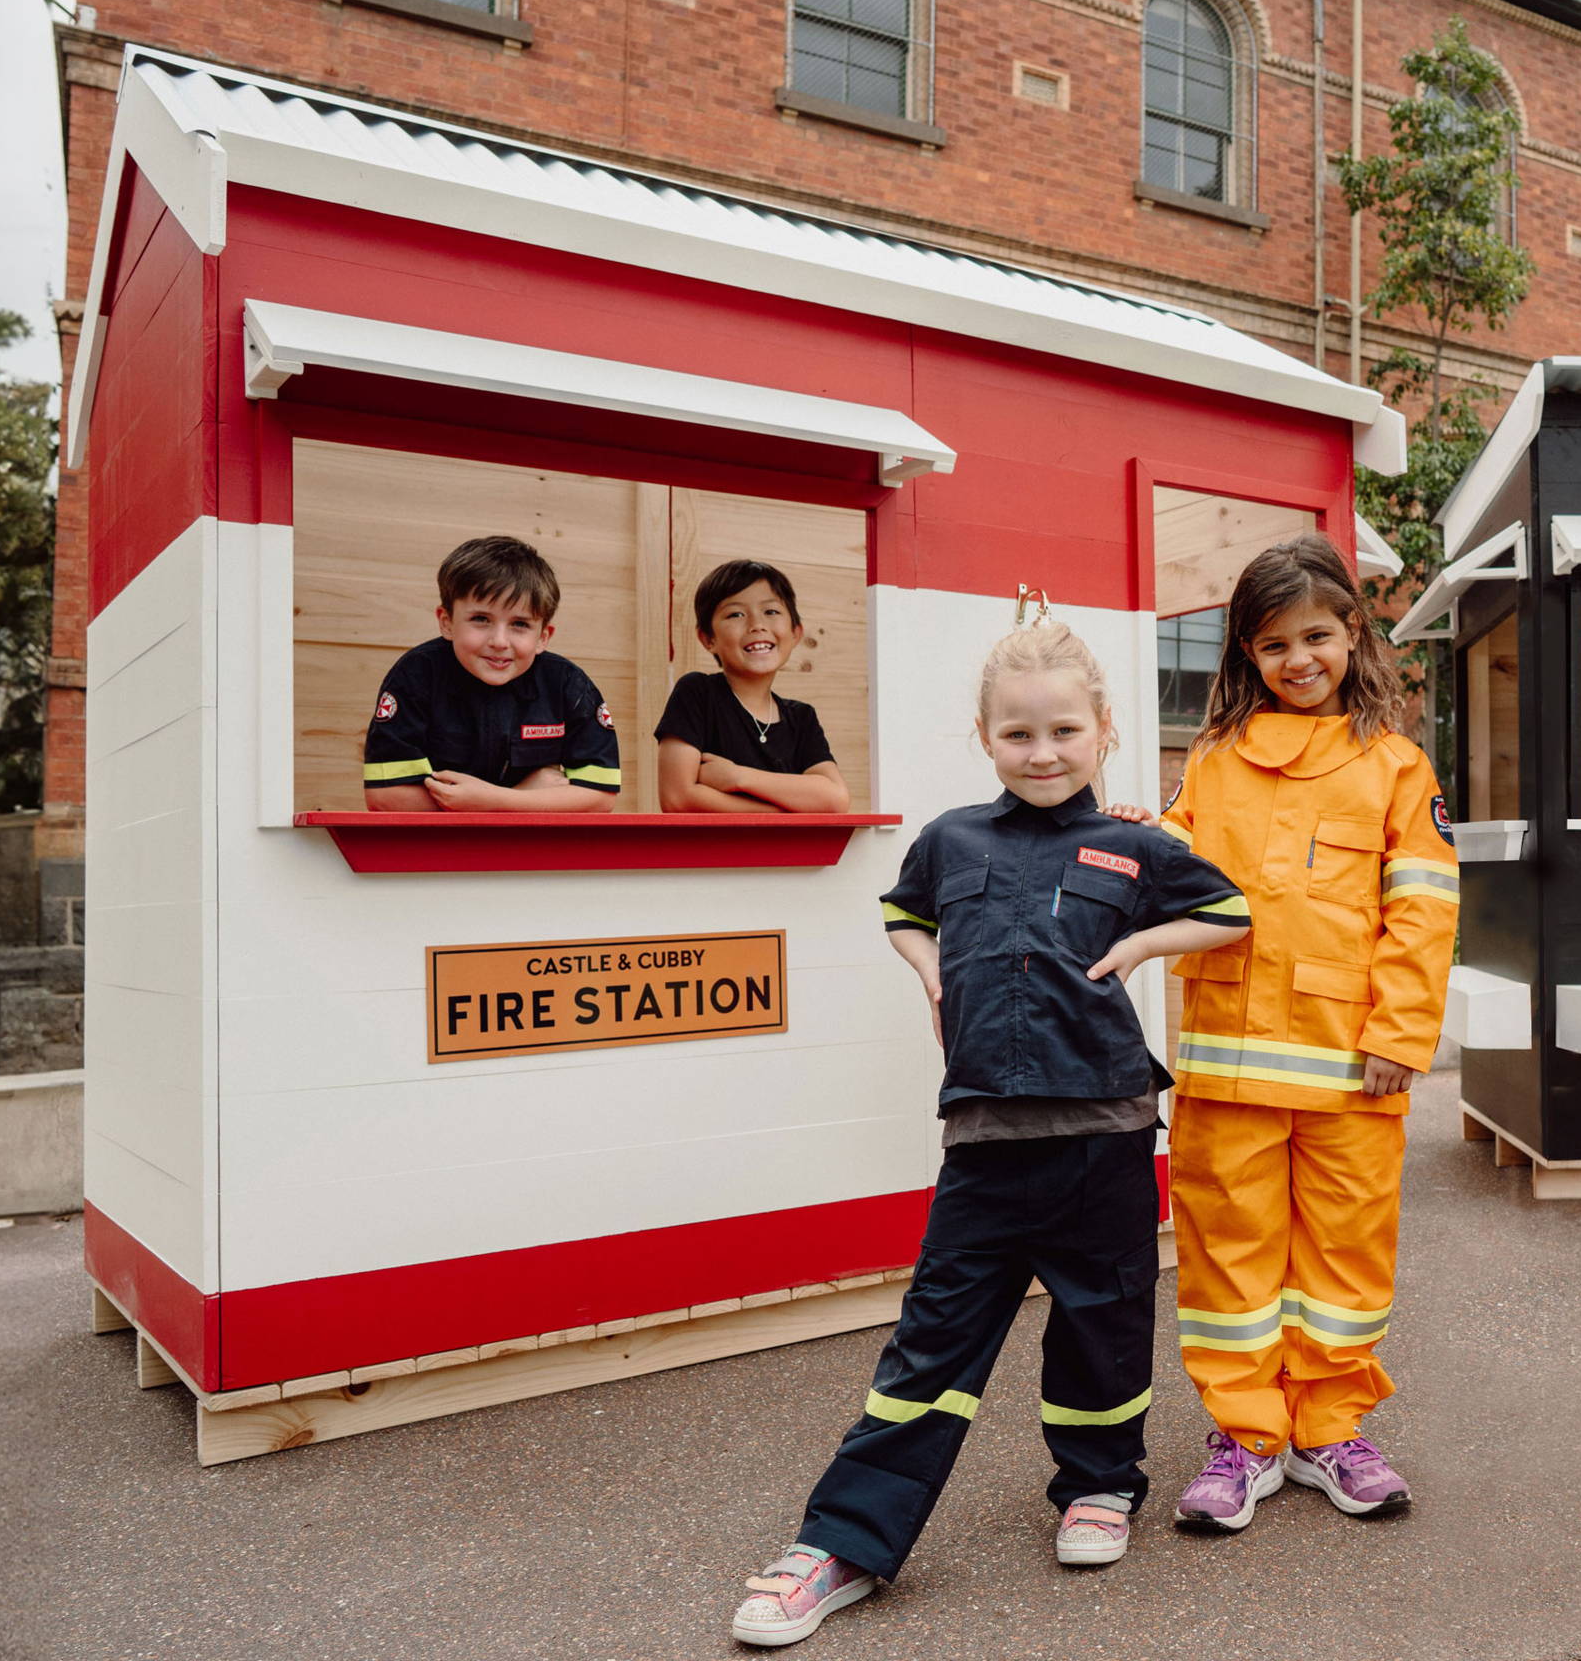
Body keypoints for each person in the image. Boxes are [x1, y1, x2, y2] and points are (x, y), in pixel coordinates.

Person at [728, 595, 1252, 1648]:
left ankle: (1100, 1485)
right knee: (930, 1344)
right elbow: (902, 912)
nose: (1042, 750)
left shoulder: (1134, 847)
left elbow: (1232, 910)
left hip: (1106, 1133)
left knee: (1104, 1323)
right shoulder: (949, 837)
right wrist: (929, 974)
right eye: (1018, 732)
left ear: (1104, 728)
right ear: (986, 737)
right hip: (985, 1142)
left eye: (1064, 730)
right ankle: (841, 1543)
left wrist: (1144, 949)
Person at [1133, 534, 1459, 1530]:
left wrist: (1400, 1036)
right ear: (1247, 654)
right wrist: (1128, 835)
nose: (1297, 659)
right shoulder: (1216, 759)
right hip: (1228, 1068)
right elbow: (1177, 856)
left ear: (1353, 633)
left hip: (1357, 1073)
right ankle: (1244, 1437)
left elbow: (1424, 910)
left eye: (1315, 634)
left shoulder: (1398, 767)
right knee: (1230, 1259)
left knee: (1347, 1259)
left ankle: (1328, 1431)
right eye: (1272, 644)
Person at [360, 535, 622, 811]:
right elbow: (387, 797)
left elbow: (599, 799)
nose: (499, 641)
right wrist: (520, 797)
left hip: (532, 850)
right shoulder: (416, 676)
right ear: (446, 622)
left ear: (543, 637)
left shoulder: (568, 684)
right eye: (481, 619)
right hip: (438, 851)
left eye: (519, 624)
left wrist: (489, 799)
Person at [653, 559, 851, 813]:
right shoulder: (697, 693)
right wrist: (786, 813)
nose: (757, 625)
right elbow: (677, 798)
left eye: (771, 611)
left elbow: (834, 800)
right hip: (712, 853)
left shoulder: (801, 717)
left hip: (788, 854)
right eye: (736, 614)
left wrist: (737, 777)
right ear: (708, 639)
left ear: (795, 632)